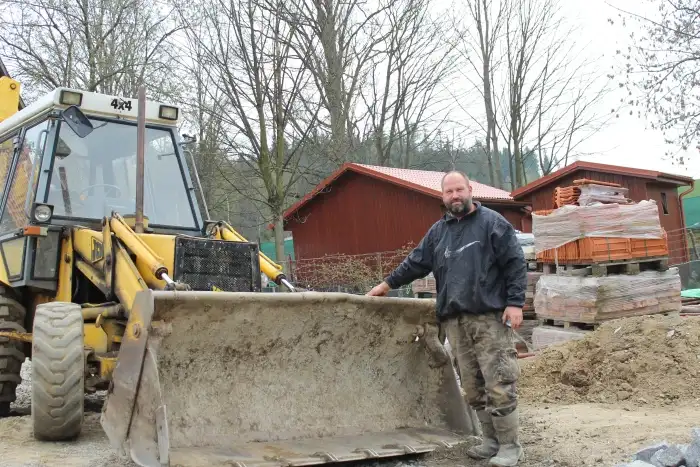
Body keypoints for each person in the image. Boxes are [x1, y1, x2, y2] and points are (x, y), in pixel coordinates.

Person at [367, 170, 527, 467]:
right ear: (442, 196)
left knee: (499, 381)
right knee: (473, 386)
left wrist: (515, 302)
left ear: (470, 190)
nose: (455, 196)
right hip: (454, 321)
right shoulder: (438, 232)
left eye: (459, 190)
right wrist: (386, 284)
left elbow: (515, 263)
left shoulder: (492, 223)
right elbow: (415, 262)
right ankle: (490, 442)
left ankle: (510, 446)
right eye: (449, 192)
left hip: (489, 318)